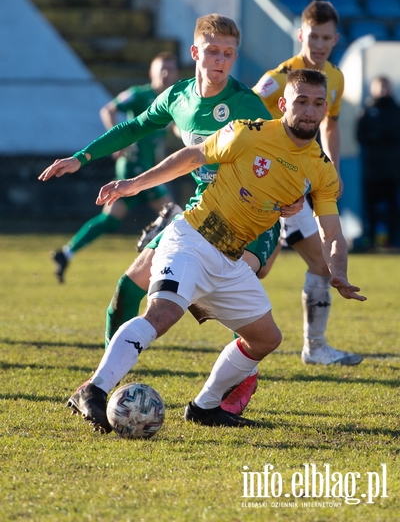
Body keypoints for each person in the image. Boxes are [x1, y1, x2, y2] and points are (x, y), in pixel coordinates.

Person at [63, 69, 366, 433]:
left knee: (266, 338)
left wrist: (339, 270)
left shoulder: (321, 170)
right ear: (283, 104)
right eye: (301, 101)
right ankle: (92, 389)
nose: (309, 111)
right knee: (162, 313)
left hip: (230, 260)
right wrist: (133, 185)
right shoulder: (248, 132)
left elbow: (331, 231)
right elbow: (191, 157)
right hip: (192, 238)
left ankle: (204, 407)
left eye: (318, 104)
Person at [39, 14, 284, 362]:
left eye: (229, 54)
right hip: (200, 212)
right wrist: (82, 158)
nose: (221, 60)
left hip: (247, 217)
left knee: (238, 312)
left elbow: (284, 152)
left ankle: (230, 394)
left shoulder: (245, 103)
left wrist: (290, 198)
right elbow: (135, 126)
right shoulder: (178, 97)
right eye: (213, 51)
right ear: (195, 52)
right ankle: (109, 379)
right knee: (126, 290)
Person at [253, 0, 363, 368]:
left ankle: (315, 348)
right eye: (312, 36)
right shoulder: (281, 74)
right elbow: (247, 105)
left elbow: (330, 125)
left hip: (298, 185)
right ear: (301, 34)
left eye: (326, 38)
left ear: (335, 40)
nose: (318, 44)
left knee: (320, 265)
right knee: (259, 267)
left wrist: (332, 168)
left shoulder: (337, 77)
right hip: (261, 182)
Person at [51, 52, 182, 283]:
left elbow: (170, 132)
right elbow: (108, 110)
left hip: (148, 169)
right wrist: (119, 145)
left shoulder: (172, 100)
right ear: (151, 72)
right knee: (174, 215)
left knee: (111, 219)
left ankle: (66, 253)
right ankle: (168, 263)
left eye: (170, 69)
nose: (165, 73)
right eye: (161, 68)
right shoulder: (138, 94)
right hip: (134, 168)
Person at [355, 76, 400, 249]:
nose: (382, 90)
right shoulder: (367, 111)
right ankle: (370, 239)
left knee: (393, 206)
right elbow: (359, 135)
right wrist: (375, 138)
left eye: (385, 86)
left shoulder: (396, 111)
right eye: (379, 87)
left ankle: (394, 240)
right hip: (372, 169)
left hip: (393, 169)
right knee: (370, 206)